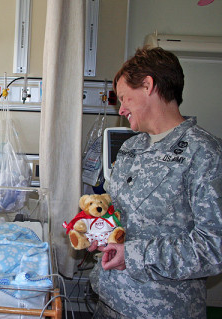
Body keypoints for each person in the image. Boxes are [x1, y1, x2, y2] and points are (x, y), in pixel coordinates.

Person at [88, 47, 222, 318]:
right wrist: (97, 229)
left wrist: (134, 254)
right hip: (108, 303)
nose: (121, 108)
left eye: (124, 98)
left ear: (148, 85)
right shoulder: (131, 148)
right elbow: (117, 212)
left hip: (161, 310)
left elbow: (213, 247)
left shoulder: (204, 153)